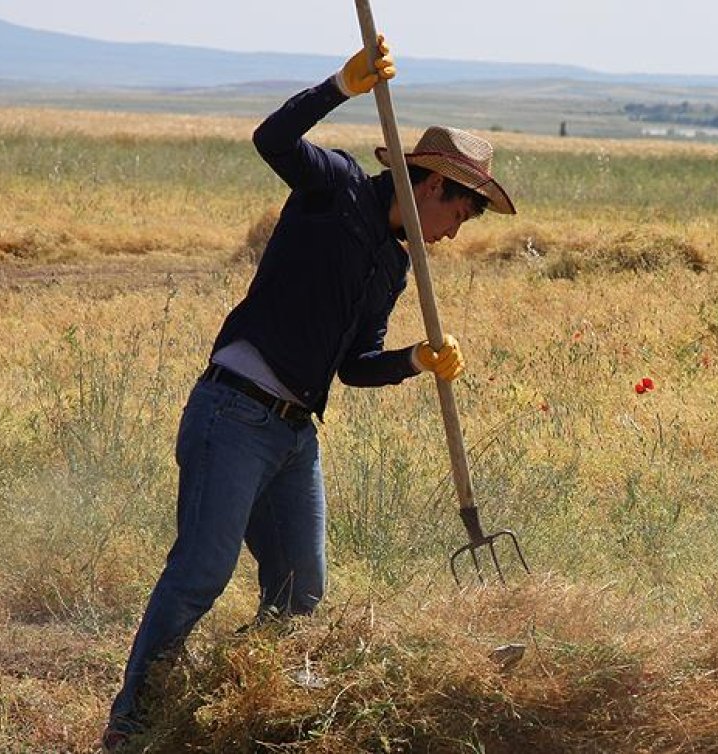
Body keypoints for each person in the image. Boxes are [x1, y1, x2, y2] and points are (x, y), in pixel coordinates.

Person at [101, 34, 516, 751]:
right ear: (433, 187)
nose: (454, 232)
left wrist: (415, 359)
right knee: (201, 572)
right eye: (459, 214)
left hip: (295, 435)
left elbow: (353, 365)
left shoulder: (392, 266)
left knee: (300, 596)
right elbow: (271, 138)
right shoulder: (336, 187)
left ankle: (237, 710)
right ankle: (131, 725)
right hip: (233, 410)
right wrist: (339, 87)